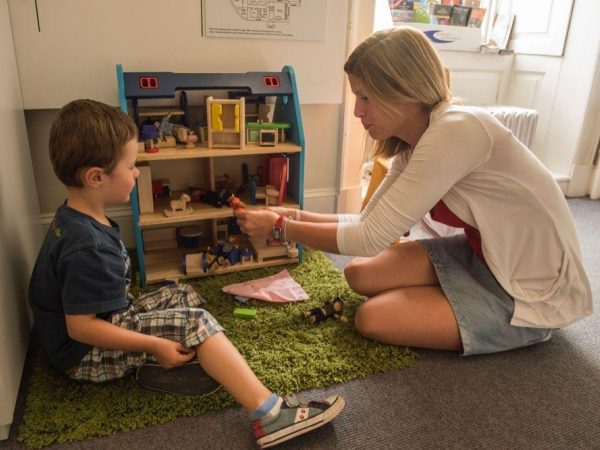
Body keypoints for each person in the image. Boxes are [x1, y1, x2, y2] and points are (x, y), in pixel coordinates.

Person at [235, 27, 593, 356]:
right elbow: (367, 220)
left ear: (404, 91)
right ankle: (449, 297)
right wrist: (291, 215)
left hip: (528, 288)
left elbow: (368, 238)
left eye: (366, 97)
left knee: (371, 318)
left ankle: (519, 323)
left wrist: (280, 227)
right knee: (359, 274)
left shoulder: (456, 131)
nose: (357, 111)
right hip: (485, 255)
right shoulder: (416, 142)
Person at [28, 99, 344, 449]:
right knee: (197, 322)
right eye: (131, 166)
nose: (137, 173)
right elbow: (81, 328)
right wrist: (154, 344)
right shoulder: (85, 246)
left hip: (109, 318)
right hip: (85, 354)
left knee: (182, 293)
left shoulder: (78, 217)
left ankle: (202, 353)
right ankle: (270, 414)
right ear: (96, 177)